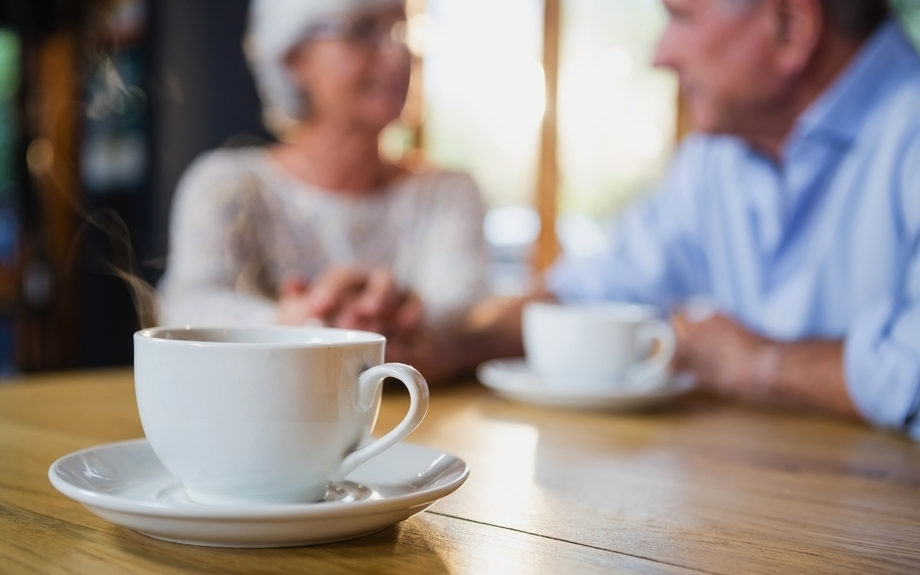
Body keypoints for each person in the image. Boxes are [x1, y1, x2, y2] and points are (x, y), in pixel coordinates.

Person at [326, 0, 920, 438]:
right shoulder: (716, 159)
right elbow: (588, 291)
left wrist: (758, 365)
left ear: (791, 27)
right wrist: (446, 346)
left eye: (680, 17)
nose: (661, 54)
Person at [157, 0, 490, 338]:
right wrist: (297, 319)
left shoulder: (448, 194)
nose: (399, 54)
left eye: (402, 30)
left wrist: (382, 316)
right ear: (293, 58)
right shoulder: (227, 186)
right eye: (362, 30)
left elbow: (466, 315)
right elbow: (184, 307)